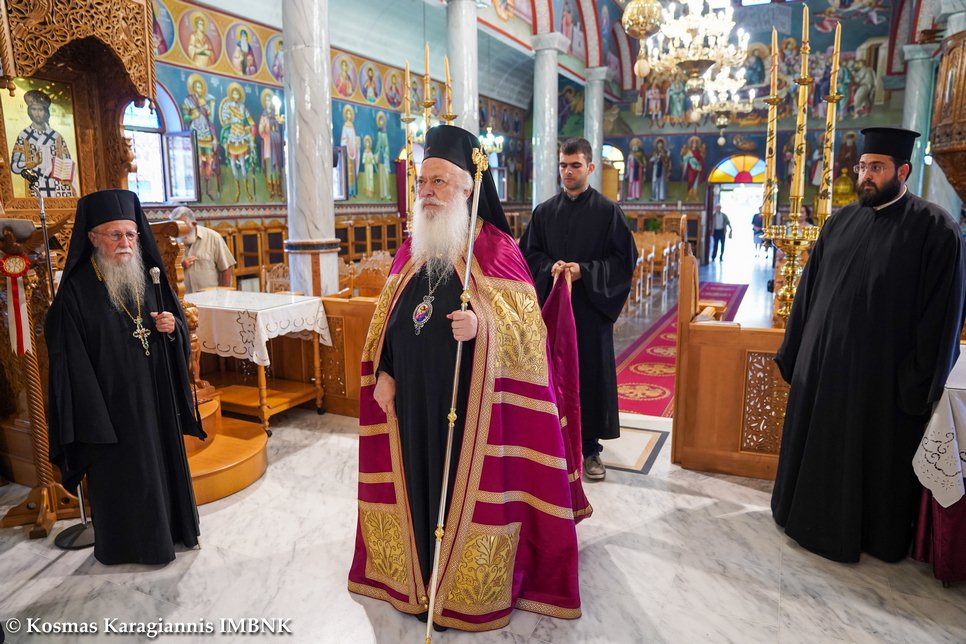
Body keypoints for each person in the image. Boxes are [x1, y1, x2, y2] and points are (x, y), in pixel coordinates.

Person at [348, 125, 584, 631]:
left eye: (439, 181)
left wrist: (484, 328)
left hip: (471, 410)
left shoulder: (497, 249)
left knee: (456, 487)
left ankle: (457, 591)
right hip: (411, 402)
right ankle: (418, 578)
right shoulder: (412, 248)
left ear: (468, 188)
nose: (427, 192)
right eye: (422, 182)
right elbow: (391, 320)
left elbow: (528, 338)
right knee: (417, 483)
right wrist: (385, 371)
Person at [771, 127, 966, 563]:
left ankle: (867, 537)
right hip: (821, 375)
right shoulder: (840, 222)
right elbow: (808, 294)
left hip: (878, 387)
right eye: (862, 167)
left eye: (876, 167)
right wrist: (797, 354)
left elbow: (942, 317)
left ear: (903, 171)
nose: (865, 176)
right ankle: (795, 514)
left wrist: (917, 382)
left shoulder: (936, 230)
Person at [45, 189, 205, 565]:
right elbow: (69, 361)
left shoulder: (149, 278)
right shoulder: (76, 293)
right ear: (93, 238)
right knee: (125, 480)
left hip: (156, 400)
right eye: (115, 235)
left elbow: (177, 327)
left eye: (131, 234)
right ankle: (127, 547)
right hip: (110, 412)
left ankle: (173, 533)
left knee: (162, 469)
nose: (126, 243)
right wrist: (94, 418)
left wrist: (173, 329)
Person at [520, 137, 637, 481]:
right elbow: (528, 256)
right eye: (563, 165)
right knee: (550, 376)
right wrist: (551, 268)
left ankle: (589, 450)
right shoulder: (544, 212)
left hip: (589, 312)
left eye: (575, 165)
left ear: (590, 167)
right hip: (552, 314)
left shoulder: (607, 212)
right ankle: (549, 445)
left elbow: (623, 261)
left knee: (589, 378)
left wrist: (583, 271)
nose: (568, 172)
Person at [11, 90, 76, 197]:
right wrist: (32, 163)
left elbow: (67, 164)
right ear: (29, 112)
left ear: (45, 112)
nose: (37, 113)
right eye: (34, 109)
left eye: (40, 110)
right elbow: (14, 167)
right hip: (34, 188)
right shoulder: (24, 136)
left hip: (57, 189)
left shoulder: (56, 137)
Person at [168, 205, 235, 293]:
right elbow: (165, 273)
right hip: (182, 297)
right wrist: (181, 267)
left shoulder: (213, 238)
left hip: (211, 297)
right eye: (176, 229)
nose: (180, 233)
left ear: (194, 224)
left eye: (183, 227)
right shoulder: (168, 241)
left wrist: (225, 294)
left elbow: (226, 268)